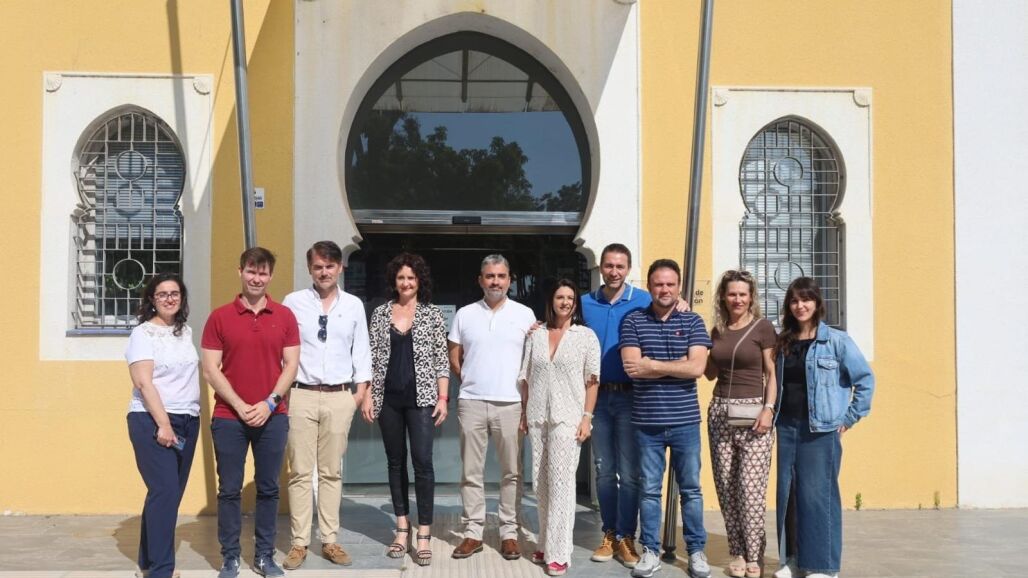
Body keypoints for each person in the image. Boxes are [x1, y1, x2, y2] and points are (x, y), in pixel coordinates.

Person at [201, 247, 300, 578]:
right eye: (251, 271)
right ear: (240, 272)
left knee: (269, 488)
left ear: (270, 276)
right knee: (229, 489)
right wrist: (240, 405)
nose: (256, 278)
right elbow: (211, 369)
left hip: (273, 416)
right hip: (229, 417)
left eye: (263, 272)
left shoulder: (284, 316)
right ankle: (230, 557)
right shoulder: (219, 317)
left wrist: (269, 402)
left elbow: (291, 365)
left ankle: (264, 556)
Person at [772, 277, 874, 578]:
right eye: (794, 300)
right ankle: (793, 559)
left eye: (805, 299)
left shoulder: (837, 341)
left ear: (817, 303)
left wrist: (848, 418)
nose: (800, 306)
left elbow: (865, 380)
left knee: (818, 496)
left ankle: (823, 567)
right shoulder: (784, 341)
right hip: (786, 426)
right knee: (789, 495)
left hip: (820, 430)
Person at [281, 241, 371, 570]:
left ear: (340, 268)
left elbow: (362, 349)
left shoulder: (353, 305)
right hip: (301, 394)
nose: (324, 272)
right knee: (300, 472)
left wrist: (359, 394)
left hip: (339, 395)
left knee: (331, 471)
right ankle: (299, 543)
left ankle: (330, 540)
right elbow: (281, 348)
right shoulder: (293, 302)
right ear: (310, 268)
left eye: (330, 266)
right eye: (318, 266)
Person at [620, 259, 712, 578]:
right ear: (649, 286)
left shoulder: (693, 321)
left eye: (670, 284)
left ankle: (696, 551)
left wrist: (652, 365)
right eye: (659, 284)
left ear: (679, 286)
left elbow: (697, 367)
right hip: (647, 422)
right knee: (649, 489)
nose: (664, 289)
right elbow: (632, 368)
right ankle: (650, 551)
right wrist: (676, 365)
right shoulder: (633, 321)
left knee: (691, 489)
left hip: (685, 421)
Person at [361, 252, 450, 567]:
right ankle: (402, 528)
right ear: (394, 281)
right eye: (401, 277)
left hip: (422, 398)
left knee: (423, 463)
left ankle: (423, 533)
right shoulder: (380, 313)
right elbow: (370, 358)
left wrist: (443, 398)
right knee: (395, 462)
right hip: (388, 399)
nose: (406, 282)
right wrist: (368, 394)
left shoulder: (432, 314)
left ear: (419, 281)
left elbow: (441, 358)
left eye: (411, 278)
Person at [448, 254, 536, 561]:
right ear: (480, 280)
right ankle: (473, 532)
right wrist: (470, 380)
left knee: (512, 472)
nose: (495, 281)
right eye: (489, 276)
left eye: (500, 276)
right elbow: (454, 355)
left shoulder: (525, 315)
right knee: (471, 472)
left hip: (511, 404)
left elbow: (533, 360)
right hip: (472, 402)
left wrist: (526, 403)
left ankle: (509, 532)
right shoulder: (465, 314)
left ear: (509, 280)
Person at [518, 279, 600, 576]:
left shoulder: (585, 337)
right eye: (559, 297)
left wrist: (587, 417)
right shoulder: (536, 335)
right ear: (551, 301)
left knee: (562, 486)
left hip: (569, 419)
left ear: (575, 303)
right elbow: (527, 377)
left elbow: (592, 380)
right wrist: (524, 412)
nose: (565, 302)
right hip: (538, 416)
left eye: (570, 298)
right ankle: (544, 542)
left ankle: (560, 552)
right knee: (541, 484)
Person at [125, 273, 200, 578]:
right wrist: (164, 424)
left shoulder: (185, 331)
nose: (169, 298)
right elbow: (143, 382)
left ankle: (147, 561)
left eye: (174, 293)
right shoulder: (142, 334)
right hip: (152, 420)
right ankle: (161, 571)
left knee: (167, 494)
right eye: (162, 294)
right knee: (165, 491)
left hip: (188, 419)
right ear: (152, 300)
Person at [704, 270, 777, 578]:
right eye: (732, 294)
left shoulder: (763, 328)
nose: (737, 299)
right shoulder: (717, 331)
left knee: (750, 488)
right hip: (720, 411)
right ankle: (737, 551)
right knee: (726, 487)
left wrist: (769, 409)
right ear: (723, 296)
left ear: (751, 297)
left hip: (754, 413)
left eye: (742, 294)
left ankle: (755, 554)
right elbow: (709, 373)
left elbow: (772, 372)